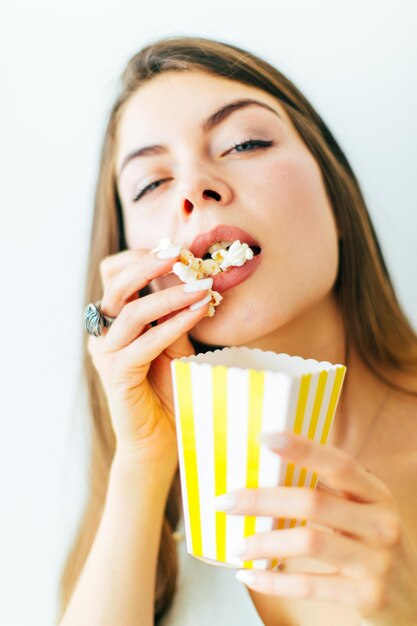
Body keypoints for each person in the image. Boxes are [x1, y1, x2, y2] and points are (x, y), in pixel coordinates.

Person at [57, 36, 417, 626]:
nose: (194, 188)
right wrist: (142, 463)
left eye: (243, 143)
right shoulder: (143, 493)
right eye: (150, 184)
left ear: (338, 199)